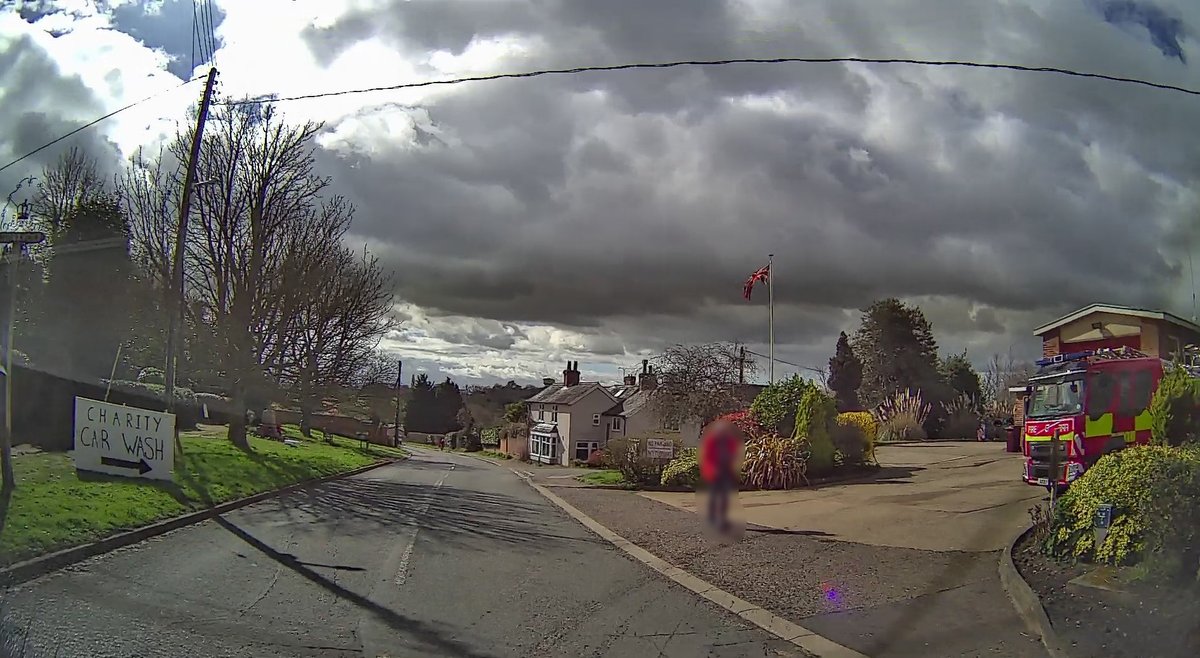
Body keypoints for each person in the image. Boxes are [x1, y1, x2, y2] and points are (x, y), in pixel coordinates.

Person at [699, 419, 743, 534]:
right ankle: (712, 517)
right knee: (714, 495)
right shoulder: (711, 441)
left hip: (726, 470)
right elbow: (706, 457)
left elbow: (735, 455)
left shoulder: (730, 441)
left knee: (725, 495)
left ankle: (722, 518)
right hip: (714, 471)